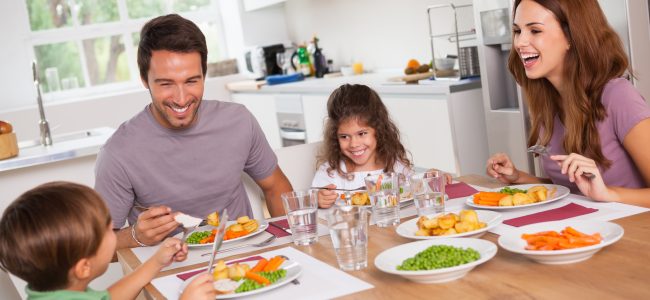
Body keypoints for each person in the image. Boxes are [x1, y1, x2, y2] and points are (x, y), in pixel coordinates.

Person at [94, 13, 292, 250]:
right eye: (166, 83)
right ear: (144, 80)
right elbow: (98, 248)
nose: (181, 98)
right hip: (169, 272)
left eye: (191, 81)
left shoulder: (238, 121)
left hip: (244, 257)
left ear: (204, 75)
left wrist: (293, 244)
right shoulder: (118, 153)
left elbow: (276, 187)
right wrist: (136, 236)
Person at [486, 0, 650, 207]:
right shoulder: (548, 100)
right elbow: (573, 190)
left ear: (571, 36)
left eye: (535, 30)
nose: (519, 43)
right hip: (581, 231)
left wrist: (608, 194)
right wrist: (519, 178)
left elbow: (598, 192)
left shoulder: (618, 96)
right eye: (518, 31)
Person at [0, 181, 216, 300]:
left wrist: (156, 262)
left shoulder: (55, 294)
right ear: (84, 268)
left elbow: (110, 298)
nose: (114, 233)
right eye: (107, 230)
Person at [312, 84, 451, 208]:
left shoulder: (394, 164)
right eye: (344, 137)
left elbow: (416, 188)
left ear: (378, 130)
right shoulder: (330, 173)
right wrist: (317, 200)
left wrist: (430, 179)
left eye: (362, 133)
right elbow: (311, 204)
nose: (354, 144)